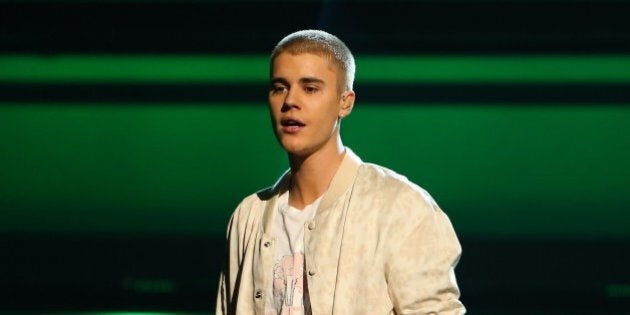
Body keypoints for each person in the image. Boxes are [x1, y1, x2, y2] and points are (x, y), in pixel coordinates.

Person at [216, 29, 465, 315]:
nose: (290, 102)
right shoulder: (248, 217)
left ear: (345, 102)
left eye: (310, 88)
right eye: (279, 87)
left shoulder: (400, 208)